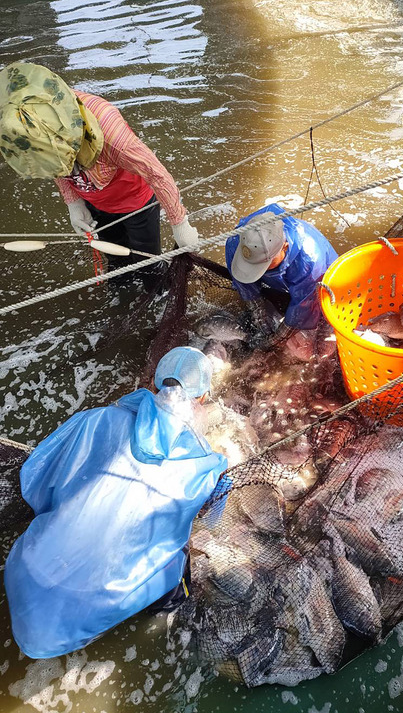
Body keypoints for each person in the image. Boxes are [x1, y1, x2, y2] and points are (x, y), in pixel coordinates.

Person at [4, 347, 227, 659]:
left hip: (24, 573)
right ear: (202, 398)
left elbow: (38, 475)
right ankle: (164, 608)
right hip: (80, 613)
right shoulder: (207, 465)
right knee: (179, 562)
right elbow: (212, 523)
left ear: (155, 382)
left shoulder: (96, 418)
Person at [0, 62, 199, 282]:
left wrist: (180, 224)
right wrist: (74, 203)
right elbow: (54, 167)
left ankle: (156, 290)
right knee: (116, 263)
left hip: (136, 203)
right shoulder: (31, 122)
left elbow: (156, 174)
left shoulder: (113, 136)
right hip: (95, 204)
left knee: (148, 265)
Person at [225, 203, 338, 356]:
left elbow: (302, 308)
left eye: (265, 263)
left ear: (284, 247)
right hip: (282, 275)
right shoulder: (237, 242)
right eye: (253, 265)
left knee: (322, 331)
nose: (259, 269)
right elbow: (245, 284)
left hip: (318, 279)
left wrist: (276, 339)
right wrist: (263, 326)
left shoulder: (310, 263)